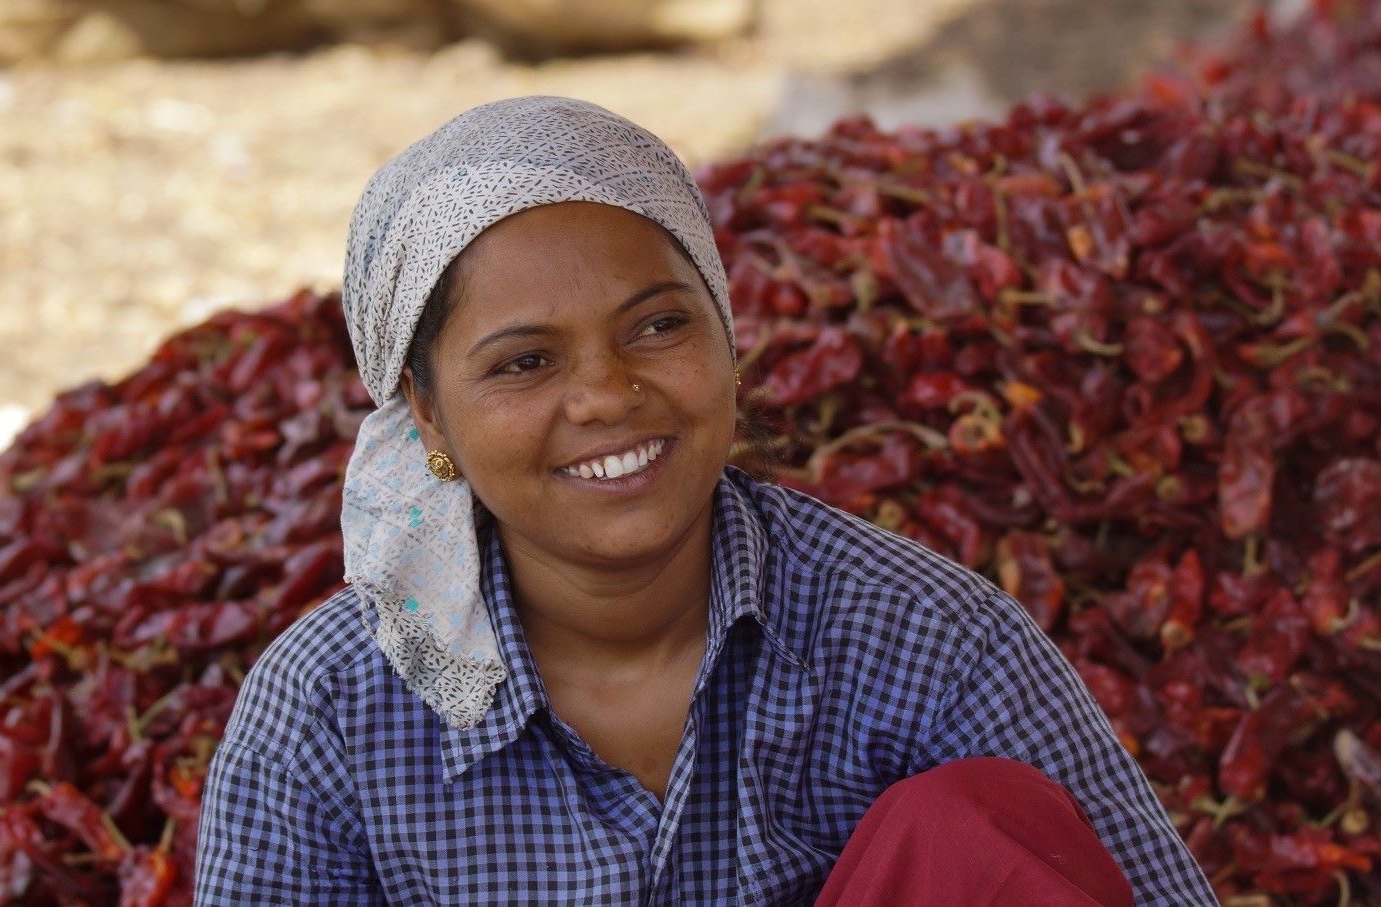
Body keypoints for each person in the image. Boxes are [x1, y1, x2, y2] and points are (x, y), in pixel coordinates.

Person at [193, 95, 1219, 905]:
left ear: (726, 336)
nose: (603, 395)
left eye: (655, 327)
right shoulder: (326, 712)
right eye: (523, 363)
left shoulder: (924, 638)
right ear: (424, 415)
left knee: (966, 829)